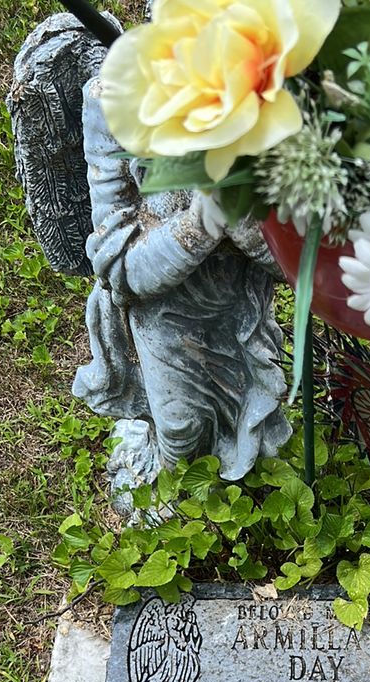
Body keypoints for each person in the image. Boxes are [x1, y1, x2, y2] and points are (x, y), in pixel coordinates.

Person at [72, 76, 291, 480]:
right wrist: (200, 226)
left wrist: (248, 228)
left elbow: (298, 261)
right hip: (165, 313)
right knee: (180, 428)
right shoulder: (115, 101)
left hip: (241, 309)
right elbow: (116, 264)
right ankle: (175, 496)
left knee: (256, 419)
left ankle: (244, 499)